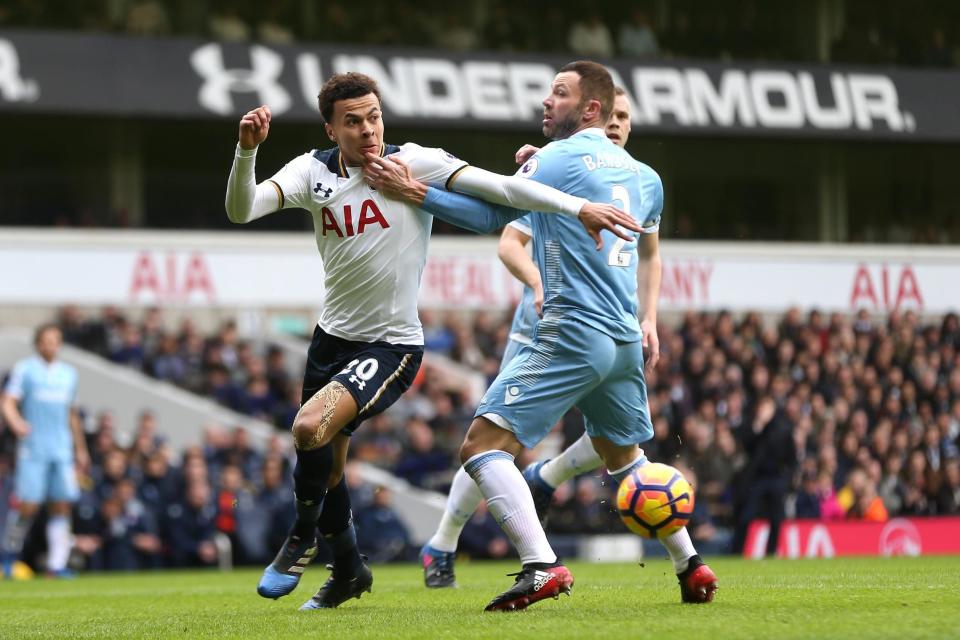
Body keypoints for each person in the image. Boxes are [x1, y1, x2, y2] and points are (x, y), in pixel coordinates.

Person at [225, 72, 639, 611]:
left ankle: (300, 538)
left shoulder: (414, 162)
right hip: (331, 341)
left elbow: (505, 189)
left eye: (374, 116)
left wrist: (575, 207)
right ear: (331, 129)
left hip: (392, 345)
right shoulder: (312, 172)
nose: (369, 130)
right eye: (353, 122)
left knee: (308, 428)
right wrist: (245, 152)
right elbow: (242, 209)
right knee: (327, 462)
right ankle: (349, 569)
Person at [364, 61, 718, 610]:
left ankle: (539, 564)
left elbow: (491, 220)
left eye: (559, 93)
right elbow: (646, 252)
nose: (546, 102)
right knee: (626, 458)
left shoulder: (558, 158)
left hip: (573, 329)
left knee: (481, 447)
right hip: (624, 339)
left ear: (591, 109)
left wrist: (416, 192)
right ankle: (690, 565)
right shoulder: (647, 180)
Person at [417, 87, 670, 589]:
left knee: (607, 441)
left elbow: (651, 254)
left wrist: (650, 315)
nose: (617, 124)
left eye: (626, 116)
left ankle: (544, 489)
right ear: (596, 115)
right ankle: (445, 541)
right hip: (546, 319)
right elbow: (508, 242)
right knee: (497, 438)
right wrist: (535, 283)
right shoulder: (561, 172)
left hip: (609, 327)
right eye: (612, 114)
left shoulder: (638, 181)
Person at [2, 324, 89, 578]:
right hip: (34, 448)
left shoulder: (68, 374)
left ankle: (57, 564)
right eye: (46, 340)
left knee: (61, 505)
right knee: (28, 505)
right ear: (38, 343)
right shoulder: (25, 369)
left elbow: (72, 414)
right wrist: (16, 423)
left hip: (61, 449)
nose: (51, 345)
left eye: (55, 341)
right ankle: (7, 557)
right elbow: (7, 401)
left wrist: (80, 448)